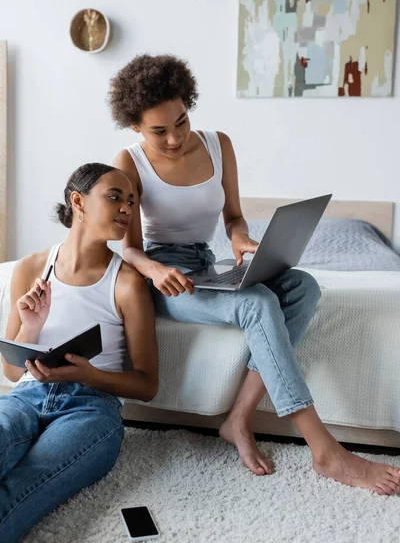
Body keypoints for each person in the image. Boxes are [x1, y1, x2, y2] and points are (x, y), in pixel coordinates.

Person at [110, 54, 400, 495]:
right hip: (169, 279)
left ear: (189, 105)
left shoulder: (217, 144)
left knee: (302, 286)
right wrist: (154, 268)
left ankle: (239, 418)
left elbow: (234, 219)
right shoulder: (128, 162)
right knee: (258, 303)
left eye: (181, 122)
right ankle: (324, 448)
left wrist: (242, 241)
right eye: (159, 130)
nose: (174, 138)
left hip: (207, 264)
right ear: (135, 127)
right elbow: (129, 246)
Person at [0, 163, 158, 541]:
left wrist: (87, 374)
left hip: (90, 407)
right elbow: (9, 371)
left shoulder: (127, 283)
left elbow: (147, 384)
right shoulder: (32, 268)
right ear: (78, 202)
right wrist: (32, 326)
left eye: (132, 202)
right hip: (24, 396)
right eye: (115, 197)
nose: (126, 209)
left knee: (23, 486)